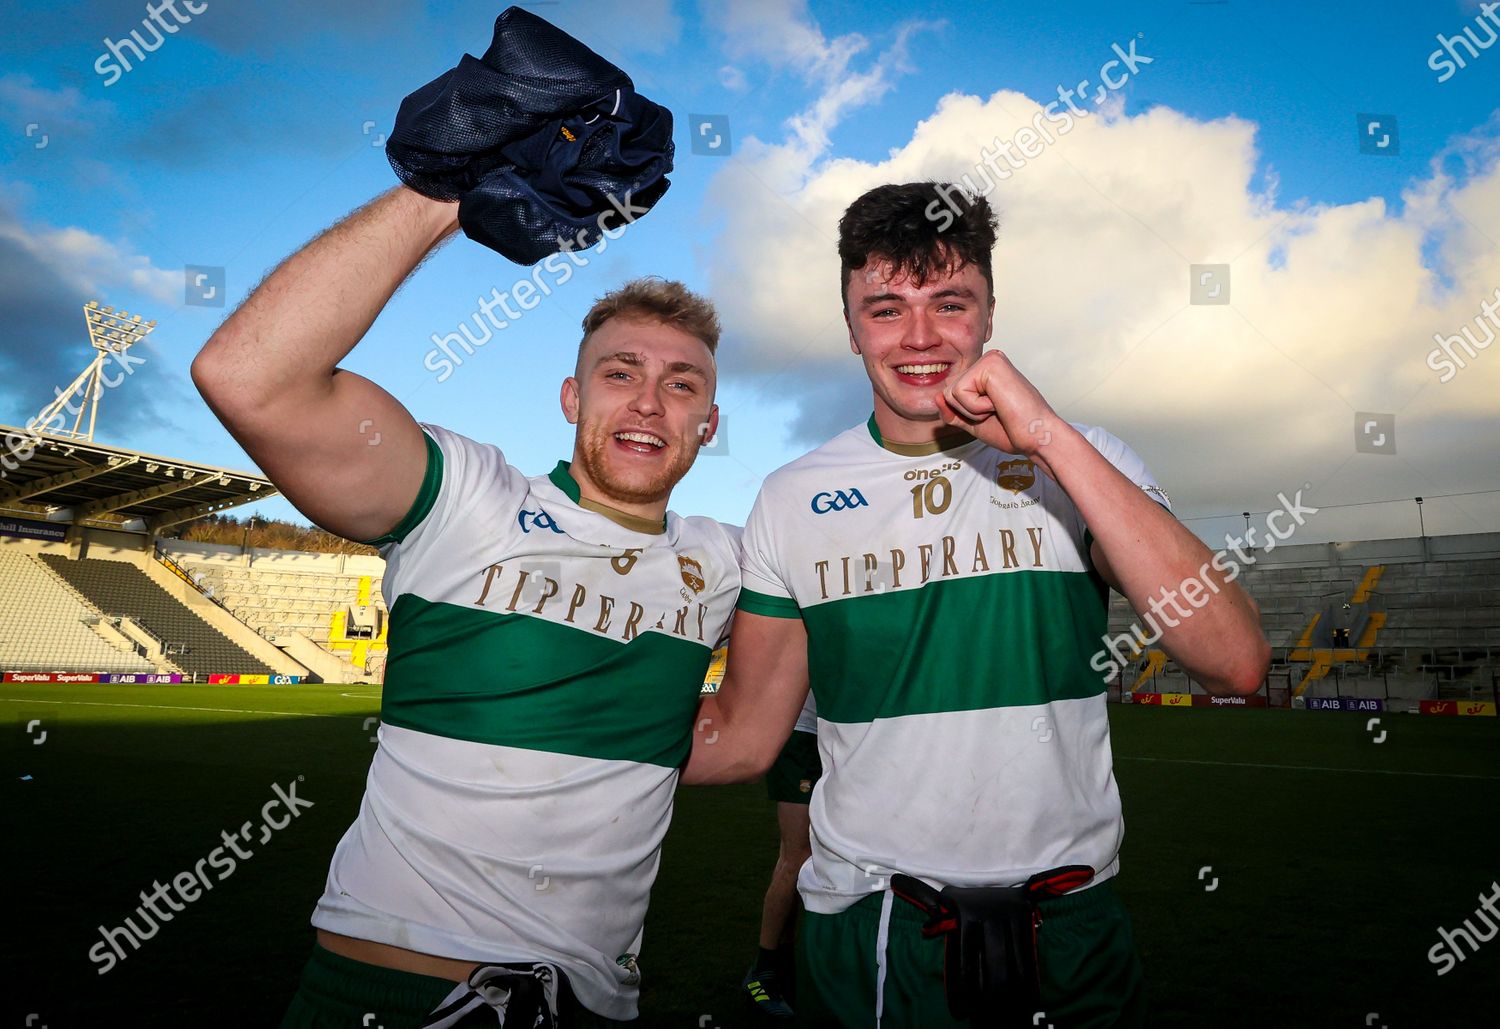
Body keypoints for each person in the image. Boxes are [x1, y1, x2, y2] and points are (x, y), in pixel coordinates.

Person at [684, 182, 1269, 1027]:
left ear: (989, 315)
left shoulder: (1086, 460)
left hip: (1070, 923)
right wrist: (544, 723)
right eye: (885, 309)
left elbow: (1235, 661)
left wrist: (1049, 440)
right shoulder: (791, 497)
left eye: (949, 303)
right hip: (873, 924)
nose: (920, 338)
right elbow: (741, 735)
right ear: (851, 327)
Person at [192, 185, 740, 1027]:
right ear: (571, 397)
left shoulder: (726, 558)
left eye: (681, 386)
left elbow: (748, 725)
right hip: (389, 993)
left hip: (594, 1006)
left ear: (707, 424)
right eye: (619, 373)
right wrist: (445, 191)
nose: (646, 401)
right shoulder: (466, 493)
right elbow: (248, 376)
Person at [741, 693, 821, 1021]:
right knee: (798, 854)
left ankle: (782, 962)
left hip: (817, 735)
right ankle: (762, 974)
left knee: (802, 853)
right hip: (799, 735)